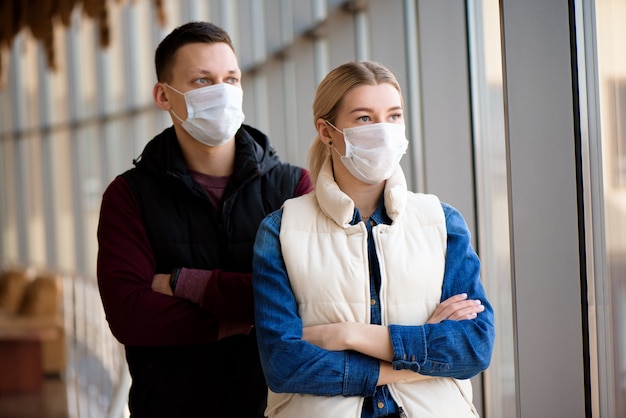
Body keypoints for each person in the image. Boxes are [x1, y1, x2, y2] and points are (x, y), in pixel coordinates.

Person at [252, 61, 495, 418]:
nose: (383, 130)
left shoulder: (441, 222)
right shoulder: (281, 230)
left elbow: (474, 347)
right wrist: (415, 359)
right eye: (364, 118)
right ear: (326, 131)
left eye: (393, 116)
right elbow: (283, 363)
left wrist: (346, 335)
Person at [97, 21, 313, 418]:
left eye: (231, 79)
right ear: (164, 95)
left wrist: (187, 283)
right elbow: (130, 315)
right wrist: (243, 320)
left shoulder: (293, 188)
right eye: (202, 80)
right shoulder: (129, 196)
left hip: (279, 409)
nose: (222, 93)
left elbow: (312, 296)